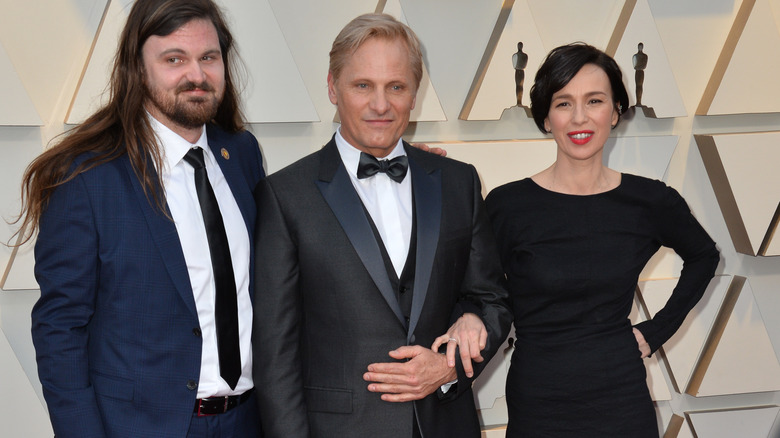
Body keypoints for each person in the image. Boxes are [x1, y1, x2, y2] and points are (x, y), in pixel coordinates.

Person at [252, 13, 511, 438]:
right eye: (362, 86)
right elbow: (274, 353)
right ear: (333, 88)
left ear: (414, 93)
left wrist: (448, 367)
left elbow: (492, 301)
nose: (380, 104)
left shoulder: (457, 181)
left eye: (396, 86)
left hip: (445, 424)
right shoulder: (285, 195)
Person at [17, 1, 264, 436]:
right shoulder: (86, 177)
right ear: (138, 67)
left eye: (209, 57)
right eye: (174, 59)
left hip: (249, 420)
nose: (197, 75)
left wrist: (419, 175)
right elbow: (60, 330)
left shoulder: (241, 153)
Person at [484, 43, 719, 437]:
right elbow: (479, 293)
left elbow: (703, 256)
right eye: (563, 103)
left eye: (594, 100)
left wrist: (654, 332)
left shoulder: (648, 200)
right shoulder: (508, 205)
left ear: (615, 112)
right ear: (545, 118)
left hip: (622, 399)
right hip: (539, 400)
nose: (580, 117)